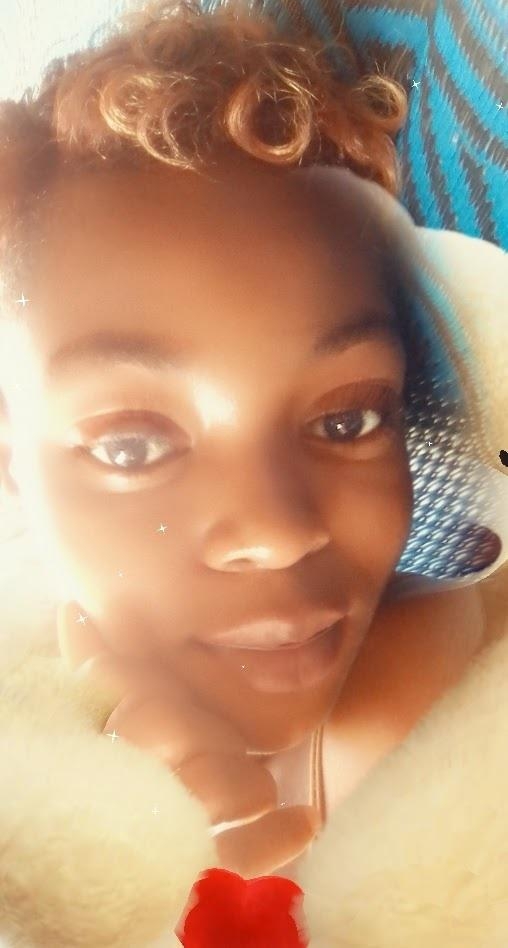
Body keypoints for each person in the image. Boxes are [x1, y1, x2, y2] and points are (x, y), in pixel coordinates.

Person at [0, 0, 505, 912]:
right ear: (10, 464)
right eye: (132, 445)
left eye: (349, 421)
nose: (275, 530)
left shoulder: (437, 697)